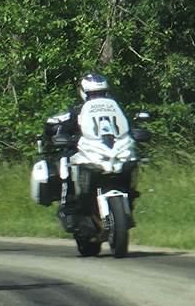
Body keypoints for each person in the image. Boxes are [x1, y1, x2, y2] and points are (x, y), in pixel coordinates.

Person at [41, 73, 140, 227]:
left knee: (133, 159)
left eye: (101, 93)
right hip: (87, 151)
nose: (97, 97)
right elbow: (56, 123)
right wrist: (58, 132)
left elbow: (126, 126)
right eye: (93, 94)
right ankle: (67, 204)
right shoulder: (77, 111)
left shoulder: (116, 110)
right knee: (65, 160)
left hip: (114, 151)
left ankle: (129, 196)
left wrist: (136, 132)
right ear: (84, 93)